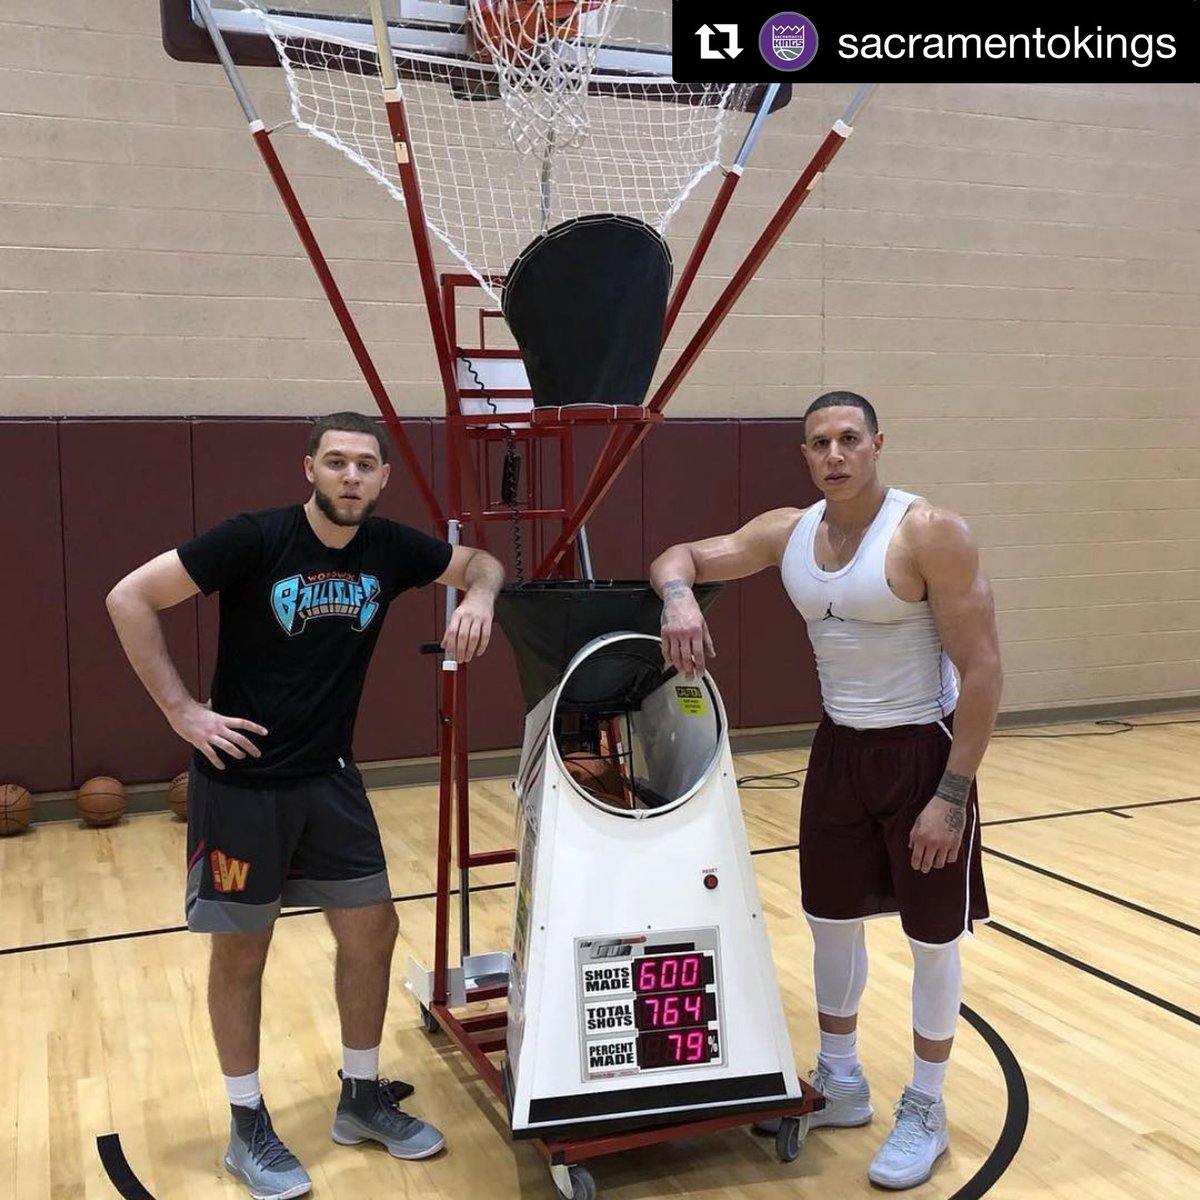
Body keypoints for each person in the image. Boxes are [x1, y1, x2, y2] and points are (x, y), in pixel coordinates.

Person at [106, 412, 504, 1200]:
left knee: (373, 931)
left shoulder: (390, 548)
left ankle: (360, 1097)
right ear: (309, 469)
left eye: (365, 465)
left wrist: (480, 598)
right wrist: (181, 711)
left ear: (383, 476)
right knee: (242, 955)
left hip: (330, 778)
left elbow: (483, 562)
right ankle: (246, 1124)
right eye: (336, 462)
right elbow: (129, 598)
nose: (350, 477)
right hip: (242, 784)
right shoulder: (254, 538)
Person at [650, 391, 1000, 1191]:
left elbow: (983, 670)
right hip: (839, 749)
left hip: (922, 752)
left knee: (931, 939)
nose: (834, 455)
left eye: (849, 439)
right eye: (819, 443)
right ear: (805, 454)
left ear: (877, 443)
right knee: (829, 923)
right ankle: (839, 1080)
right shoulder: (789, 532)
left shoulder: (929, 533)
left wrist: (952, 794)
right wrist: (678, 598)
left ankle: (927, 1107)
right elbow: (680, 556)